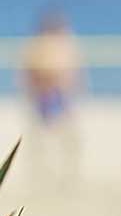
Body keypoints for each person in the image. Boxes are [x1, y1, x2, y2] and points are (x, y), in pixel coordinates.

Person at [20, 9, 85, 173]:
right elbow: (28, 72)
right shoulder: (39, 45)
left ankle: (67, 169)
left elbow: (73, 73)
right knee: (42, 138)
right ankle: (41, 169)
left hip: (59, 95)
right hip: (45, 95)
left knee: (66, 136)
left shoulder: (64, 44)